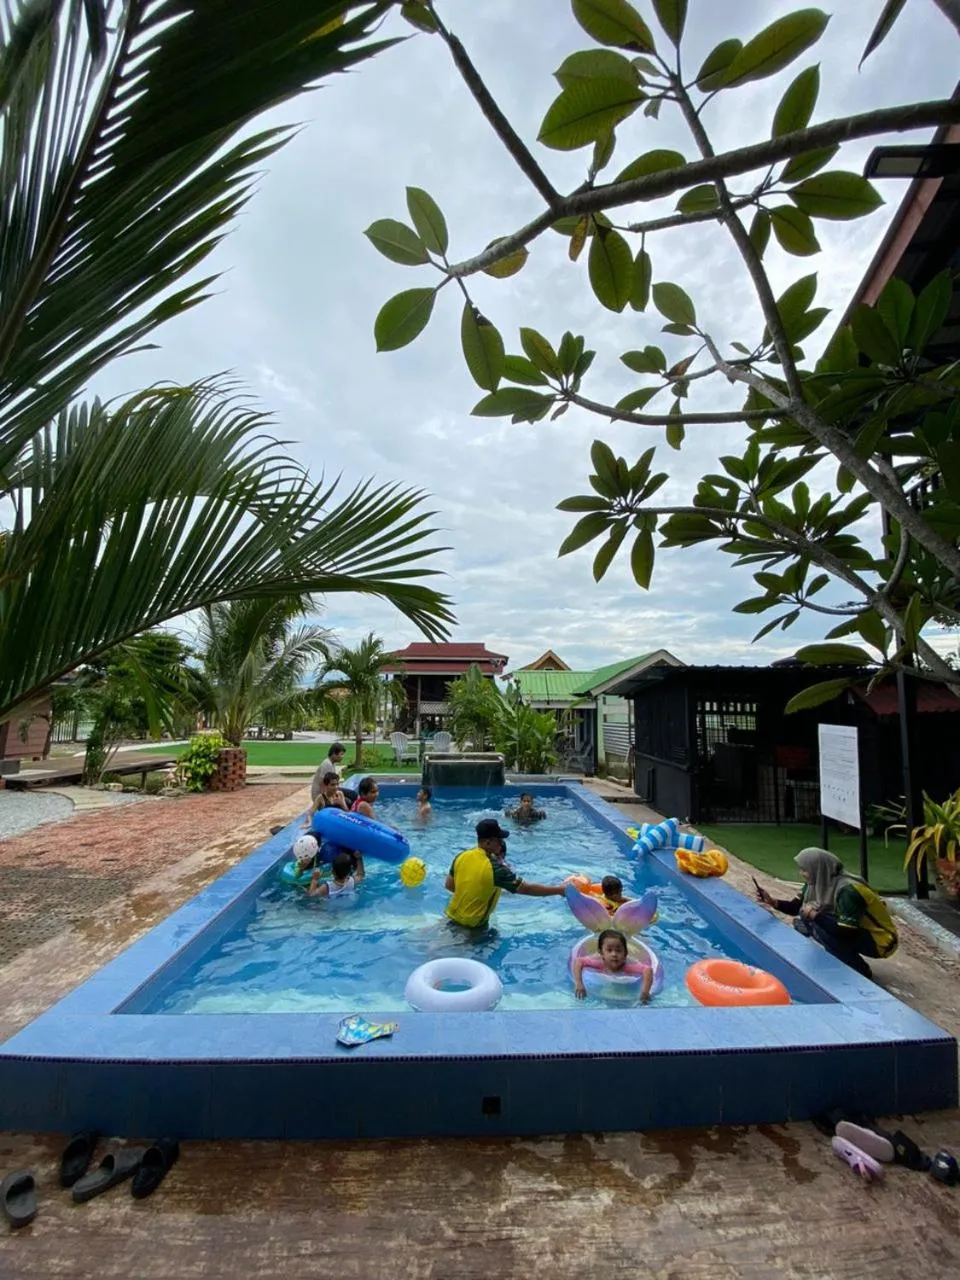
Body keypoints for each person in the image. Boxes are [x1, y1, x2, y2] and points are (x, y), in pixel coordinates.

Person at [756, 848, 898, 979]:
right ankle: (815, 932)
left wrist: (815, 916)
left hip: (880, 941)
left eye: (805, 870)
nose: (802, 873)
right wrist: (772, 901)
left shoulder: (848, 891)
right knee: (807, 914)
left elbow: (846, 931)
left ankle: (860, 970)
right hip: (853, 930)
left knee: (821, 925)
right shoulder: (816, 882)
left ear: (818, 870)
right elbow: (795, 907)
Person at [444, 818, 565, 930]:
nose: (501, 843)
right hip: (470, 928)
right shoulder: (495, 868)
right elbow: (526, 889)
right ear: (487, 842)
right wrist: (560, 890)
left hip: (450, 917)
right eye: (499, 840)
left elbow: (449, 885)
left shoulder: (462, 856)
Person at [572, 928, 654, 1002]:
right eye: (609, 950)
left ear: (625, 953)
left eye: (618, 951)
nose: (614, 954)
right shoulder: (599, 962)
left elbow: (648, 970)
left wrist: (645, 992)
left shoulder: (627, 966)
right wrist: (579, 984)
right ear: (601, 953)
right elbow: (578, 962)